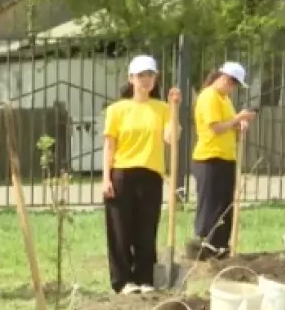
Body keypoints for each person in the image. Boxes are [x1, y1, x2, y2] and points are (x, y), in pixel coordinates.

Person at [101, 55, 181, 294]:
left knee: (146, 229)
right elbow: (109, 145)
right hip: (122, 173)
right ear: (131, 78)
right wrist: (106, 177)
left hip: (151, 174)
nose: (146, 80)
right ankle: (123, 281)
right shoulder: (117, 110)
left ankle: (144, 278)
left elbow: (171, 138)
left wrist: (175, 108)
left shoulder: (163, 109)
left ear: (155, 79)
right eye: (141, 75)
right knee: (120, 229)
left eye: (150, 75)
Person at [190, 61, 255, 258]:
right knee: (211, 204)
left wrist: (239, 125)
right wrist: (237, 119)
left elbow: (227, 125)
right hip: (210, 157)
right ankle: (203, 246)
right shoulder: (209, 96)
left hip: (225, 157)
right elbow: (215, 128)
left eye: (235, 85)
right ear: (224, 78)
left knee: (225, 204)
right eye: (232, 83)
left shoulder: (224, 99)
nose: (232, 88)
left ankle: (220, 246)